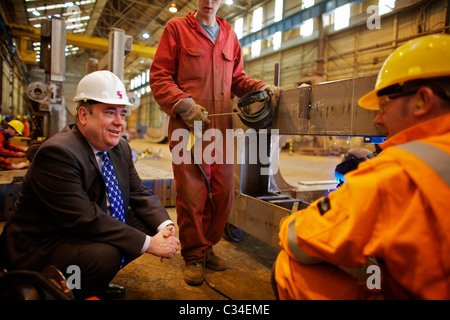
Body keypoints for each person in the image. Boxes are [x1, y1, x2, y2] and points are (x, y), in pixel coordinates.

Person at [273, 33, 450, 300]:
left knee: (288, 268)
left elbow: (301, 240)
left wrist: (293, 220)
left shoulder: (395, 174)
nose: (377, 119)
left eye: (384, 105)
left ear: (422, 100)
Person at [0, 70, 180, 299]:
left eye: (122, 114)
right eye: (109, 112)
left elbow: (139, 192)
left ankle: (88, 282)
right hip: (41, 244)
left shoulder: (120, 148)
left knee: (145, 226)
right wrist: (148, 245)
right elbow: (82, 217)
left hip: (75, 231)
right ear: (84, 115)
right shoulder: (58, 153)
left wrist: (164, 227)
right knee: (105, 255)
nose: (119, 122)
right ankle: (54, 288)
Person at [150, 0, 282, 285]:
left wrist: (260, 87)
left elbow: (237, 79)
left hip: (220, 127)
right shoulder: (176, 29)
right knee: (192, 194)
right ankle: (194, 255)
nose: (209, 1)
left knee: (222, 194)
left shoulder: (229, 35)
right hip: (188, 127)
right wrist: (182, 104)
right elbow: (159, 76)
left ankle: (207, 246)